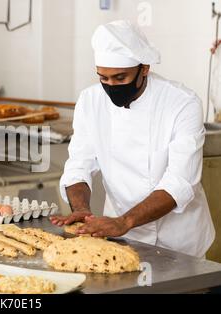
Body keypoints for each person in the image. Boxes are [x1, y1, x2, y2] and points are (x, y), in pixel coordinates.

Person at [51, 20, 215, 258]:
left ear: (144, 68)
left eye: (120, 78)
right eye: (103, 78)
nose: (111, 86)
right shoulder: (90, 101)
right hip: (121, 237)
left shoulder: (182, 103)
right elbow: (79, 165)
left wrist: (125, 220)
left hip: (181, 241)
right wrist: (82, 210)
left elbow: (180, 182)